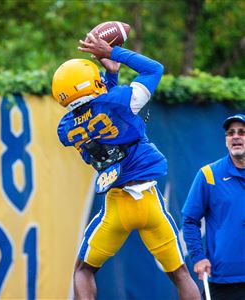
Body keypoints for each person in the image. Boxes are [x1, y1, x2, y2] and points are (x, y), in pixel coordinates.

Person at [52, 32, 200, 300]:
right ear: (90, 82)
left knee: (83, 271)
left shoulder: (66, 128)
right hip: (149, 201)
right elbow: (154, 69)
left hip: (117, 206)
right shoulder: (121, 101)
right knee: (180, 274)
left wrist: (110, 77)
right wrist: (113, 54)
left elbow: (96, 112)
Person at [182, 114, 245, 300]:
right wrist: (198, 257)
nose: (235, 137)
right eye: (230, 133)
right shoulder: (208, 174)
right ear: (226, 140)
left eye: (242, 132)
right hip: (223, 281)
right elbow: (189, 220)